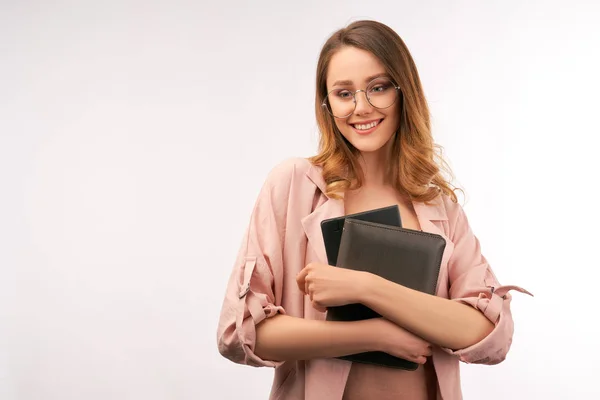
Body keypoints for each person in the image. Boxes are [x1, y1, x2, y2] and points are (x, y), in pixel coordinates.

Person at [216, 19, 531, 400]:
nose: (361, 108)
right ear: (327, 104)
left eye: (378, 88)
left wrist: (367, 287)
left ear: (403, 92)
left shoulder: (439, 206)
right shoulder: (295, 184)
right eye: (344, 93)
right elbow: (243, 332)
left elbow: (488, 335)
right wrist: (374, 335)